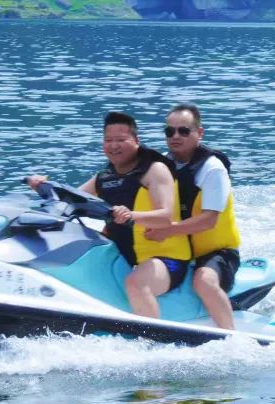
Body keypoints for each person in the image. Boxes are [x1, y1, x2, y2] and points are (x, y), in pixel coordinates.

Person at [27, 111, 190, 319]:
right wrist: (42, 187)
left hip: (166, 259)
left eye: (121, 140)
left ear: (136, 141)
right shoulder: (104, 177)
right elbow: (69, 199)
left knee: (136, 284)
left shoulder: (155, 170)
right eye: (108, 140)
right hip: (121, 255)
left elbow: (166, 217)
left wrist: (131, 215)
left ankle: (152, 337)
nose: (114, 146)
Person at [144, 103, 241, 330]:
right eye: (170, 131)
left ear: (199, 133)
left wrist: (167, 231)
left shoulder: (212, 169)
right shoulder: (160, 167)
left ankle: (232, 337)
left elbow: (209, 220)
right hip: (176, 251)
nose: (175, 136)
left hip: (217, 253)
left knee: (204, 280)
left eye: (184, 131)